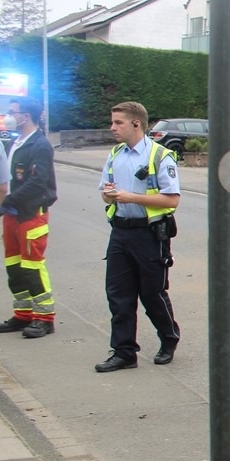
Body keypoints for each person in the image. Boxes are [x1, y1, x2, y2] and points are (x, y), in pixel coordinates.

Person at [95, 101, 181, 373]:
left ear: (136, 124)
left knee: (152, 294)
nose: (112, 128)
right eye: (112, 122)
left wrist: (131, 197)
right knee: (118, 295)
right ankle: (124, 352)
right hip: (120, 232)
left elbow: (172, 199)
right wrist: (108, 195)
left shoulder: (159, 156)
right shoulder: (115, 154)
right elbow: (104, 190)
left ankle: (168, 339)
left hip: (149, 235)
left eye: (118, 123)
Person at [0, 97, 58, 338]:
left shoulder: (40, 145)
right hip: (12, 214)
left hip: (31, 213)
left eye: (14, 112)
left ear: (28, 115)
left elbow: (37, 182)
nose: (10, 116)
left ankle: (44, 318)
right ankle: (23, 314)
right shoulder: (17, 141)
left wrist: (9, 201)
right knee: (14, 265)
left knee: (32, 265)